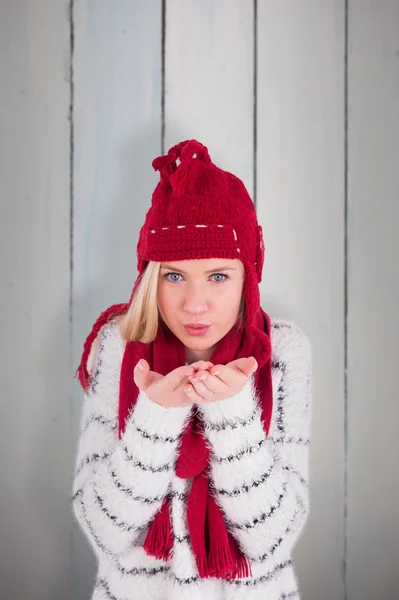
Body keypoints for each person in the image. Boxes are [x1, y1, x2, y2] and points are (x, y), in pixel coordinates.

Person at [72, 139, 312, 600]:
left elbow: (273, 537)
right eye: (174, 276)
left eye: (218, 276)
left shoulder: (282, 354)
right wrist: (155, 415)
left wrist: (231, 412)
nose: (194, 304)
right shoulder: (119, 347)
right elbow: (104, 529)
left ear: (248, 276)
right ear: (150, 275)